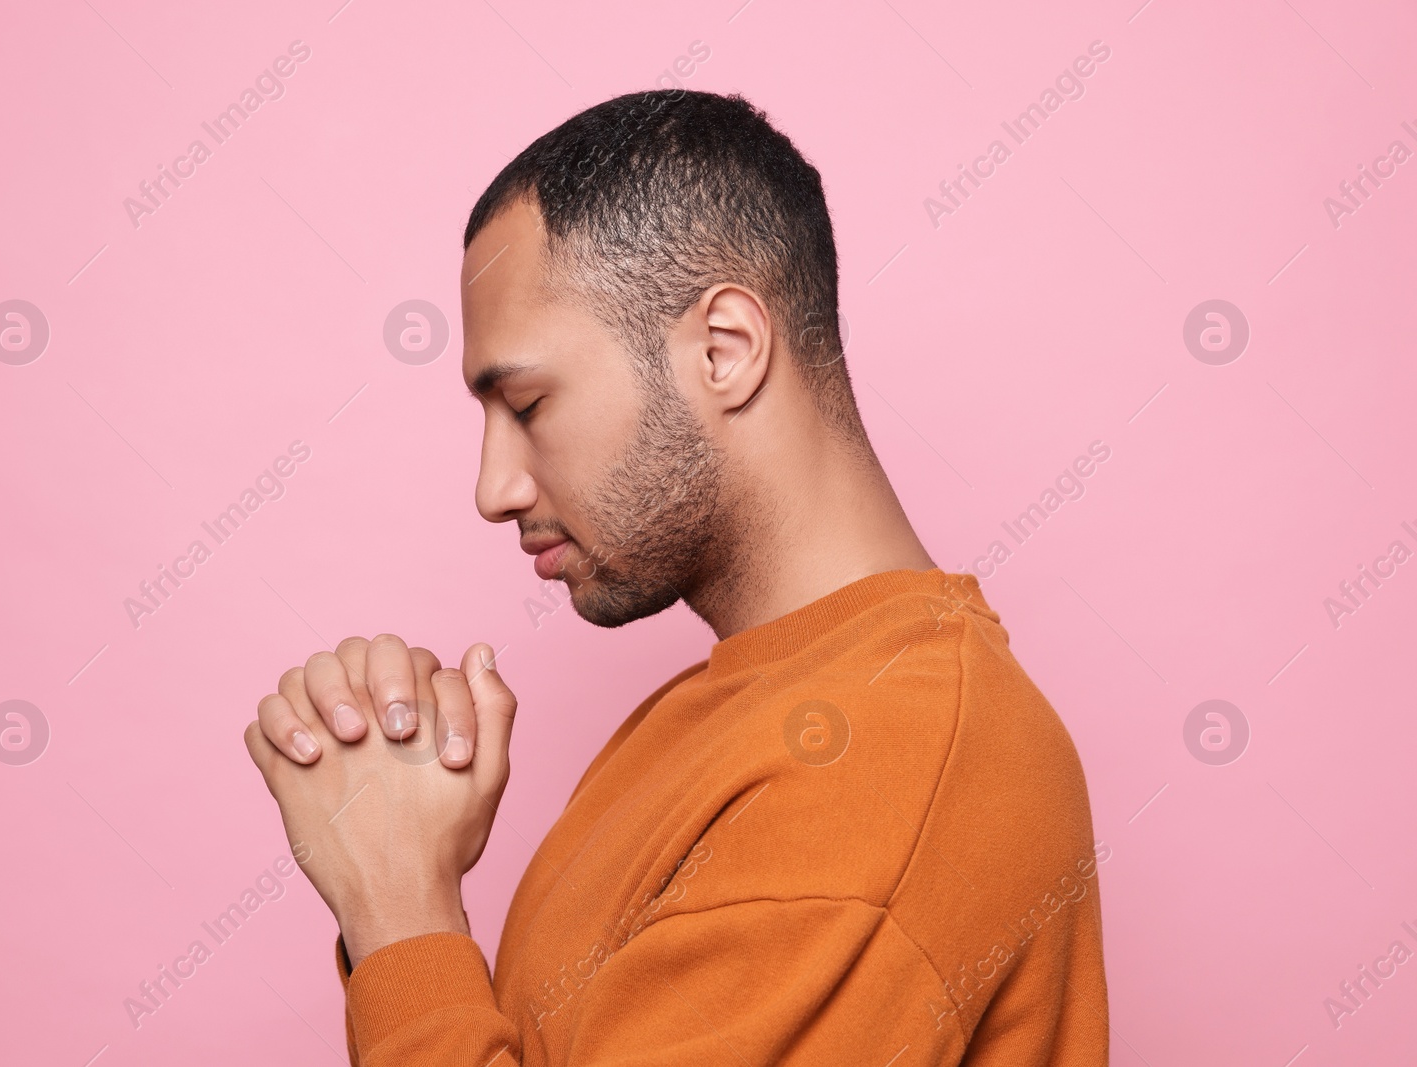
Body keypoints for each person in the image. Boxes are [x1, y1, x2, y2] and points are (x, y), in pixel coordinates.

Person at [244, 88, 1109, 1065]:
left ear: (723, 349)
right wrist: (393, 884)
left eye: (526, 402)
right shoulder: (721, 713)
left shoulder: (883, 758)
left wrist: (396, 900)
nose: (492, 487)